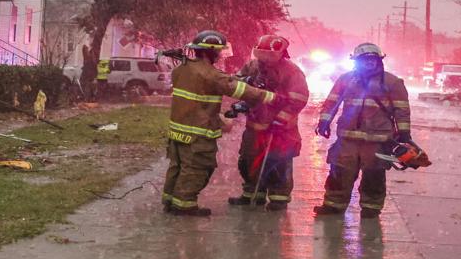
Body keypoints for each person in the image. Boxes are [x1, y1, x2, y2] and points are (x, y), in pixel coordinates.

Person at [161, 31, 278, 217]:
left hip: (178, 130)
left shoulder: (182, 69)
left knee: (178, 166)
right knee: (197, 168)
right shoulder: (211, 74)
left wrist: (237, 80)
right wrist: (270, 97)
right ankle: (184, 205)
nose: (219, 56)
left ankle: (170, 200)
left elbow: (213, 85)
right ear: (209, 52)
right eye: (218, 52)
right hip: (197, 133)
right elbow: (234, 88)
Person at [313, 43, 412, 219]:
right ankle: (333, 205)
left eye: (372, 60)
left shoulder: (392, 82)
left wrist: (404, 133)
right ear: (356, 62)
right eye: (364, 60)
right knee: (339, 172)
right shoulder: (345, 79)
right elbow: (332, 102)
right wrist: (324, 121)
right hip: (348, 138)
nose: (369, 64)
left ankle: (371, 208)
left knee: (374, 175)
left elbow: (401, 109)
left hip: (377, 140)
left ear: (379, 61)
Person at [228, 34, 311, 211]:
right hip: (255, 125)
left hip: (281, 130)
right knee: (248, 160)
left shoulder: (292, 72)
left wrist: (280, 120)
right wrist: (244, 85)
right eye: (261, 55)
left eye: (269, 56)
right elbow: (235, 83)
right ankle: (252, 194)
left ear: (282, 54)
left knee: (278, 162)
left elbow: (299, 99)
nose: (265, 60)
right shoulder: (252, 66)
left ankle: (278, 198)